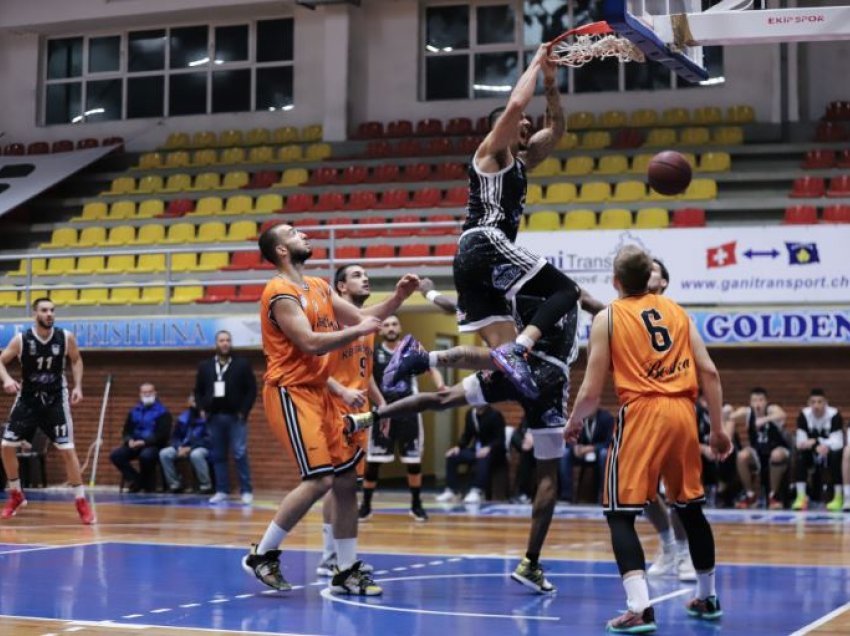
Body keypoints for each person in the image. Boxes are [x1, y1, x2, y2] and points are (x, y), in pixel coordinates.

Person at [347, 279, 602, 595]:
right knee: (547, 473)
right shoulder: (572, 291)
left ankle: (374, 412)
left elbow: (462, 309)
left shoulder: (519, 294)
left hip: (512, 365)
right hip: (548, 378)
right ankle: (531, 562)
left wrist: (429, 292)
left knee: (445, 395)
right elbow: (606, 313)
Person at [241, 222, 418, 596]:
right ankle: (263, 553)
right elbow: (308, 341)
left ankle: (346, 568)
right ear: (282, 251)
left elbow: (363, 318)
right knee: (320, 478)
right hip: (291, 391)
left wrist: (398, 298)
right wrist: (357, 332)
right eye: (293, 233)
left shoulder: (319, 286)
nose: (303, 235)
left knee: (344, 483)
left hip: (321, 395)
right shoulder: (280, 291)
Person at [564, 246, 731, 632]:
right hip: (683, 414)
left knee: (620, 512)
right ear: (650, 278)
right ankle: (707, 596)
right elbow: (710, 373)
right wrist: (719, 429)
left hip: (642, 413)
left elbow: (591, 391)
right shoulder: (678, 312)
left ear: (616, 282)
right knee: (690, 507)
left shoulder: (608, 317)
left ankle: (639, 607)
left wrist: (574, 421)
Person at [446, 41, 580, 400]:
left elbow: (556, 131)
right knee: (566, 291)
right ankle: (522, 346)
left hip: (470, 258)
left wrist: (551, 85)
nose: (525, 122)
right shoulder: (492, 152)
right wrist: (536, 62)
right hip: (484, 240)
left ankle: (421, 358)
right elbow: (518, 104)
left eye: (525, 123)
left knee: (504, 357)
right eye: (518, 123)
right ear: (500, 129)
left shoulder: (520, 160)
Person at [0, 298, 95, 524]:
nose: (50, 314)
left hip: (55, 400)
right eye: (44, 310)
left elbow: (77, 359)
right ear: (35, 314)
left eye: (52, 310)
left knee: (66, 450)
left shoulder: (65, 337)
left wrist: (78, 386)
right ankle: (16, 494)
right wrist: (6, 379)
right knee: (6, 446)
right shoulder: (22, 339)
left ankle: (81, 501)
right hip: (28, 399)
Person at [317, 264, 384, 577]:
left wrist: (383, 405)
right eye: (357, 275)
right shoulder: (331, 322)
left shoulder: (366, 323)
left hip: (361, 414)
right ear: (341, 287)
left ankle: (339, 555)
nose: (365, 277)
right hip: (335, 411)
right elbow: (315, 369)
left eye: (365, 273)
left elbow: (365, 372)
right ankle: (330, 557)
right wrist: (342, 392)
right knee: (337, 486)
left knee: (349, 487)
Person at [642, 258, 696, 582]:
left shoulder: (676, 315)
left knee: (678, 490)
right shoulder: (622, 313)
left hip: (674, 407)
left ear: (663, 282)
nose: (648, 273)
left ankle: (686, 551)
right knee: (643, 490)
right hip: (640, 411)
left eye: (655, 270)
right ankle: (667, 546)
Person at [360, 315, 444, 522]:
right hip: (383, 413)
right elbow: (366, 378)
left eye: (394, 324)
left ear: (400, 327)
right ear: (380, 331)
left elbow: (431, 368)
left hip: (409, 412)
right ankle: (366, 506)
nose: (390, 328)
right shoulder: (374, 351)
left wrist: (441, 387)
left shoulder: (411, 348)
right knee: (373, 461)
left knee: (413, 461)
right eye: (386, 325)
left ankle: (416, 505)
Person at [195, 330, 257, 505]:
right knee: (218, 455)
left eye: (228, 340)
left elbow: (251, 390)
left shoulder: (242, 364)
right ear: (216, 343)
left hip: (236, 417)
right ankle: (221, 490)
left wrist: (244, 411)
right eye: (221, 340)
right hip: (214, 417)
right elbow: (198, 390)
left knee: (239, 453)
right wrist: (201, 408)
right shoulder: (205, 366)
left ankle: (246, 490)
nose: (225, 343)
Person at [730, 388, 789, 509]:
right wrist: (727, 413)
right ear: (750, 402)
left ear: (766, 401)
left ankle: (774, 496)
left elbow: (782, 414)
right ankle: (750, 495)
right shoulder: (748, 412)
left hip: (778, 449)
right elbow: (731, 416)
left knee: (776, 455)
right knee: (742, 456)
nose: (758, 403)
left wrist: (765, 419)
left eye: (761, 400)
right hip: (758, 453)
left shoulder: (771, 409)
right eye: (754, 400)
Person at [435, 405, 506, 504]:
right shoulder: (470, 414)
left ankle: (476, 491)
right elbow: (467, 435)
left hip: (493, 452)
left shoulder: (495, 415)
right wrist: (458, 447)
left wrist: (488, 448)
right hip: (475, 450)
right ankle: (452, 490)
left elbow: (500, 439)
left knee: (483, 457)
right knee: (452, 456)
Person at [110, 383, 172, 492]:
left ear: (155, 393)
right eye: (144, 392)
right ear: (140, 394)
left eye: (149, 392)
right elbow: (126, 430)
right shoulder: (134, 411)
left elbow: (162, 434)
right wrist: (129, 440)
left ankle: (148, 486)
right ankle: (136, 480)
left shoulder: (163, 412)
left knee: (146, 456)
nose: (147, 395)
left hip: (154, 445)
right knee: (116, 455)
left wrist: (144, 442)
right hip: (135, 444)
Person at [792, 388, 845, 511]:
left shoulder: (834, 415)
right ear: (809, 403)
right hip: (812, 453)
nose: (816, 405)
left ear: (826, 403)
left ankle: (838, 497)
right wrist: (816, 446)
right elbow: (800, 443)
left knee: (837, 455)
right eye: (813, 402)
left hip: (830, 452)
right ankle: (801, 497)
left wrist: (817, 442)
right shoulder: (804, 415)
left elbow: (838, 443)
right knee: (800, 455)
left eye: (820, 402)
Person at [159, 395, 212, 494]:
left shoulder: (208, 417)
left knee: (196, 454)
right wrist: (179, 447)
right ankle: (175, 484)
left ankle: (206, 485)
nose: (195, 404)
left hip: (203, 447)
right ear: (188, 403)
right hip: (183, 446)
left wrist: (191, 447)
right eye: (192, 401)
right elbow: (175, 436)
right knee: (164, 453)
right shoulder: (183, 417)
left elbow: (210, 439)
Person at [559, 408, 613, 502]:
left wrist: (592, 448)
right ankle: (566, 496)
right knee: (565, 454)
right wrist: (574, 447)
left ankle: (603, 496)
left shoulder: (606, 418)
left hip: (598, 452)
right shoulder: (578, 418)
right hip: (581, 453)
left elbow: (609, 442)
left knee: (605, 454)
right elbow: (569, 438)